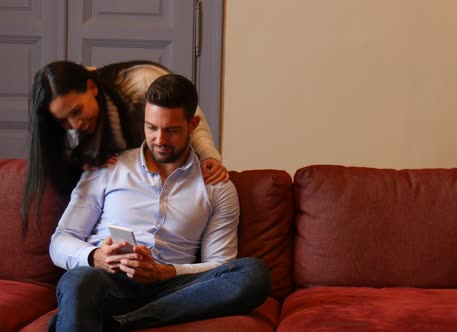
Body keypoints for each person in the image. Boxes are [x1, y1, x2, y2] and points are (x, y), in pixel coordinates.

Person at [48, 74, 271, 331]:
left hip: (173, 289)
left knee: (253, 274)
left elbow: (221, 264)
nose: (160, 140)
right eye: (151, 127)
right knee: (78, 280)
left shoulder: (216, 187)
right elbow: (60, 241)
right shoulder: (107, 168)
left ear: (193, 124)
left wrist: (166, 272)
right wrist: (96, 256)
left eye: (172, 130)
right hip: (108, 282)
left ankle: (123, 323)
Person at [22, 60, 229, 235]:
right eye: (64, 121)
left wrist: (208, 157)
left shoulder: (141, 82)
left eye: (77, 111)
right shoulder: (81, 142)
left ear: (92, 87)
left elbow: (188, 119)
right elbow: (65, 238)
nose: (75, 125)